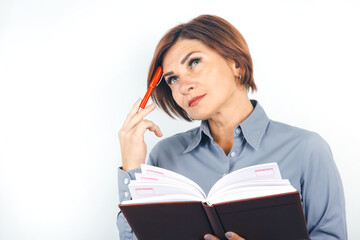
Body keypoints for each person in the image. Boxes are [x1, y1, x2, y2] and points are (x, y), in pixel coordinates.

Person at [116, 14, 347, 240]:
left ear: (235, 63)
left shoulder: (306, 150)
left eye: (194, 62)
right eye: (172, 79)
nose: (184, 86)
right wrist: (132, 167)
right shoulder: (165, 157)